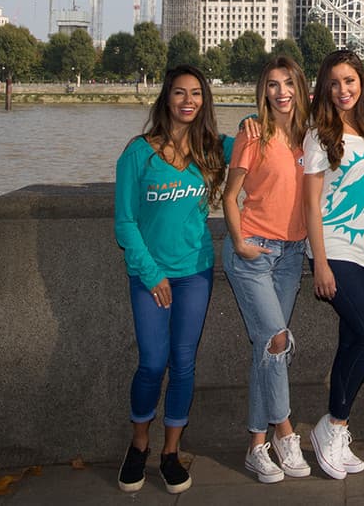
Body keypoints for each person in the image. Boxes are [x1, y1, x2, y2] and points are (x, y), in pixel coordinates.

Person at [114, 64, 231, 495]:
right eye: (180, 93)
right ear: (166, 99)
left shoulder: (214, 149)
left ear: (205, 101)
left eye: (196, 94)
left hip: (196, 272)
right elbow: (125, 224)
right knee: (152, 362)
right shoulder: (137, 154)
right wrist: (151, 273)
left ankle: (171, 451)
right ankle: (138, 444)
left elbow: (267, 150)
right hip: (151, 277)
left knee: (183, 363)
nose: (188, 101)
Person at [220, 56, 312, 484]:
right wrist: (240, 243)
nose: (281, 92)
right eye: (273, 85)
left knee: (268, 351)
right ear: (264, 91)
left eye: (288, 83)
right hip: (254, 254)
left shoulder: (309, 139)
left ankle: (256, 446)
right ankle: (286, 432)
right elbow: (230, 195)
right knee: (277, 340)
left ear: (300, 87)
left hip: (291, 255)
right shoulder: (252, 135)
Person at [303, 49, 364, 480]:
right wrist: (320, 263)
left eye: (350, 81)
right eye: (334, 83)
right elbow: (311, 204)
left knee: (353, 341)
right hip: (336, 250)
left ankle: (339, 429)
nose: (343, 90)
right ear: (324, 88)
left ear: (362, 83)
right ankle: (331, 425)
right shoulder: (320, 133)